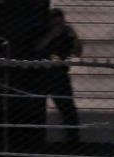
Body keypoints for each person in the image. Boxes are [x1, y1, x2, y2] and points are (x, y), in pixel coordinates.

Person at [32, 8, 82, 144]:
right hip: (42, 74)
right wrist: (51, 36)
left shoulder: (68, 32)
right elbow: (37, 48)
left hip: (60, 74)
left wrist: (75, 38)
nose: (59, 23)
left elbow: (78, 52)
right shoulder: (42, 31)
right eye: (55, 20)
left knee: (68, 108)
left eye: (61, 20)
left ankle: (73, 140)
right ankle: (34, 139)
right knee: (36, 107)